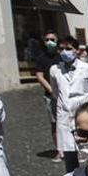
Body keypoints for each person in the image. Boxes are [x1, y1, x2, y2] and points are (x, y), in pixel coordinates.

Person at [50, 38, 88, 172]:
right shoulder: (55, 70)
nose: (64, 52)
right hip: (65, 115)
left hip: (85, 113)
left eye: (68, 49)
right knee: (69, 152)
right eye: (61, 49)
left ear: (76, 50)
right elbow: (56, 91)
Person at [34, 31, 61, 159]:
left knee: (71, 123)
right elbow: (39, 76)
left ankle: (74, 149)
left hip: (65, 94)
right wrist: (50, 89)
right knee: (55, 123)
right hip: (50, 95)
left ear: (57, 41)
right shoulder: (41, 58)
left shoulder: (61, 57)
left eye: (52, 39)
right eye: (47, 39)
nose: (50, 42)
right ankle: (59, 150)